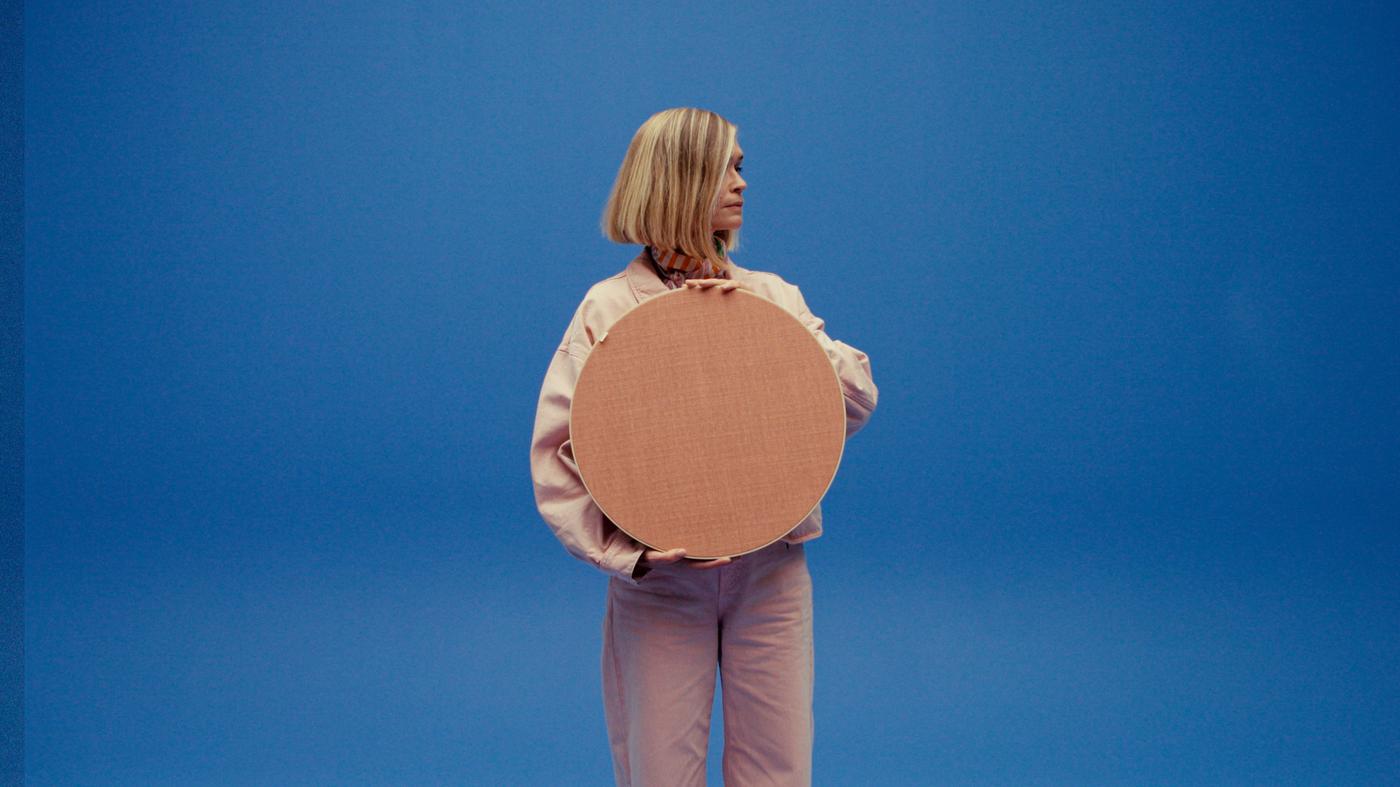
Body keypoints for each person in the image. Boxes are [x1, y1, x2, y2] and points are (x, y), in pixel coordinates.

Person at [530, 107, 878, 786]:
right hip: (664, 580)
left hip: (771, 571)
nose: (743, 183)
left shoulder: (769, 296)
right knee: (660, 768)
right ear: (679, 178)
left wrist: (770, 330)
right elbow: (557, 455)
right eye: (727, 167)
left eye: (743, 167)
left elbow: (855, 399)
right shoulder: (609, 309)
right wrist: (625, 552)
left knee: (778, 770)